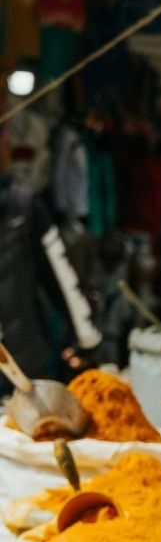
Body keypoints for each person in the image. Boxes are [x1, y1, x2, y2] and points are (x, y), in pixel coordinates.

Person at [0, 164, 100, 386]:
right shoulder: (23, 203)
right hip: (23, 361)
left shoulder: (22, 205)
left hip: (20, 363)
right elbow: (60, 275)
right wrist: (86, 340)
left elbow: (60, 274)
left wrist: (85, 338)